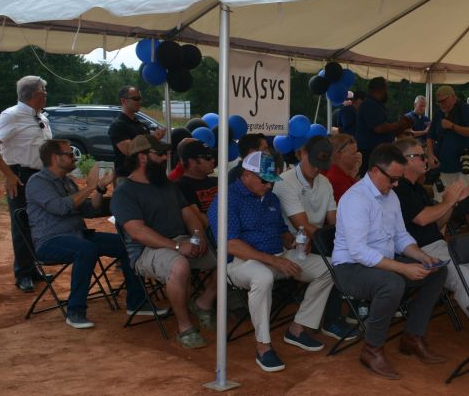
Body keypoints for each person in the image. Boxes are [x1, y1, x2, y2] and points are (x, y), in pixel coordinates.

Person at [331, 144, 449, 380]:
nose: (396, 185)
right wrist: (403, 267)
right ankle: (372, 349)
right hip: (349, 269)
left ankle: (412, 336)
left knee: (437, 271)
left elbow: (400, 236)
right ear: (375, 171)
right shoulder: (356, 199)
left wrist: (421, 256)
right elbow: (359, 252)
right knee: (392, 283)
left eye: (398, 179)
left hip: (382, 263)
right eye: (393, 179)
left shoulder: (390, 195)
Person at [210, 150, 334, 373]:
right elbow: (230, 244)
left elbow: (281, 231)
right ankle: (263, 346)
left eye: (271, 181)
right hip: (240, 262)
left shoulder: (271, 197)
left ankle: (298, 328)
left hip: (277, 255)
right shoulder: (226, 199)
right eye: (264, 180)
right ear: (247, 175)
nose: (269, 185)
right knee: (263, 277)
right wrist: (274, 261)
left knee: (329, 267)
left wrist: (294, 241)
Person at [26, 138, 151, 329]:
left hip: (79, 236)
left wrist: (99, 188)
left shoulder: (67, 181)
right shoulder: (37, 182)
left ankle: (137, 302)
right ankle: (75, 311)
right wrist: (90, 187)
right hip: (50, 241)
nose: (74, 157)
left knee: (128, 242)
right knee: (85, 249)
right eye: (69, 154)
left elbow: (90, 210)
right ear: (55, 158)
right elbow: (59, 208)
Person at [110, 134, 216, 348]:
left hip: (180, 242)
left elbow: (188, 214)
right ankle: (185, 327)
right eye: (159, 154)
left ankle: (202, 303)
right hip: (146, 251)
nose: (165, 158)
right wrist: (177, 246)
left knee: (226, 259)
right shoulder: (124, 192)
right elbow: (138, 232)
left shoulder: (167, 185)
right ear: (142, 157)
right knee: (180, 266)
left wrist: (198, 236)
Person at [392, 137, 469, 344]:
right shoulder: (399, 189)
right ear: (405, 160)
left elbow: (437, 222)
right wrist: (447, 202)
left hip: (438, 246)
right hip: (417, 252)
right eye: (420, 156)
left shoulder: (417, 188)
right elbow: (422, 219)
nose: (426, 159)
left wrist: (452, 203)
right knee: (463, 275)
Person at [273, 135, 356, 341]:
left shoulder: (324, 182)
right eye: (314, 162)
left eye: (322, 164)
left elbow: (334, 221)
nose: (317, 168)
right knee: (338, 259)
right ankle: (332, 319)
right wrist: (340, 240)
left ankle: (349, 309)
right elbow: (303, 226)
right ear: (302, 153)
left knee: (346, 252)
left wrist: (345, 239)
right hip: (294, 244)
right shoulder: (285, 182)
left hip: (315, 240)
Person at [0, 75, 52, 292]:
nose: (46, 95)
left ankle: (33, 268)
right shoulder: (12, 115)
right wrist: (9, 175)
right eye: (44, 91)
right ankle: (23, 273)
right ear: (37, 94)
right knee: (22, 223)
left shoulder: (40, 116)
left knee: (37, 223)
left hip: (40, 176)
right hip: (20, 175)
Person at [108, 86, 165, 182]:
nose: (140, 102)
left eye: (140, 99)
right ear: (123, 101)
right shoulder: (118, 125)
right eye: (136, 99)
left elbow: (147, 150)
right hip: (126, 177)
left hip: (144, 174)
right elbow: (128, 150)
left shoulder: (140, 124)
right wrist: (153, 138)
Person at [355, 77, 411, 160]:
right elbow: (379, 128)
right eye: (385, 89)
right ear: (380, 89)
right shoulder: (369, 104)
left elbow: (388, 131)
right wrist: (399, 124)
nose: (386, 92)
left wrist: (402, 127)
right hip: (371, 151)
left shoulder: (378, 105)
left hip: (379, 150)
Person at [174, 139, 218, 215]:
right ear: (192, 162)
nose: (213, 160)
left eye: (212, 156)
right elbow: (198, 216)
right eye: (208, 157)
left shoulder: (216, 181)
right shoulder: (181, 187)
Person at [326, 133, 361, 201]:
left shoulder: (341, 175)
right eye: (353, 153)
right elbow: (355, 201)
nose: (358, 156)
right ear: (338, 155)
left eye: (357, 152)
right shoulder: (336, 180)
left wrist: (354, 172)